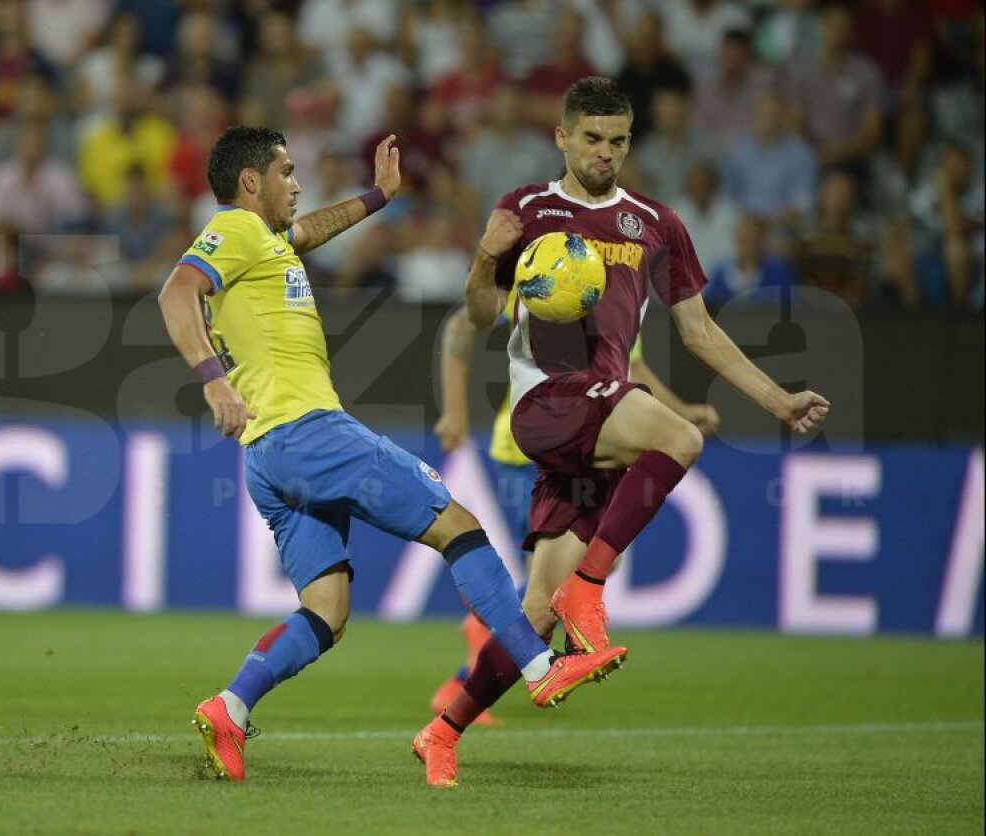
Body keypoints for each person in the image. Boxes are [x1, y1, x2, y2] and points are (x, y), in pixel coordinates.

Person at [158, 127, 624, 784]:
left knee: (327, 610)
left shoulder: (266, 242)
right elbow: (176, 291)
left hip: (268, 455)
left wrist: (378, 196)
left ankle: (230, 709)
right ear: (251, 182)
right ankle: (540, 666)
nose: (298, 183)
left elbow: (309, 232)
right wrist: (212, 379)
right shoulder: (234, 229)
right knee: (457, 525)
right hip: (310, 432)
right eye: (287, 172)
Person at [411, 76, 829, 787]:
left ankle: (442, 731)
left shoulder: (656, 224)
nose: (605, 152)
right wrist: (484, 257)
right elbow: (478, 315)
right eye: (592, 138)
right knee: (681, 439)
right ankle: (590, 588)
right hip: (547, 399)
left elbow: (699, 331)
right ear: (562, 138)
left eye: (618, 141)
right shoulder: (527, 210)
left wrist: (777, 399)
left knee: (533, 615)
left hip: (597, 423)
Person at [427, 297, 720, 725]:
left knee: (593, 564)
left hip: (584, 446)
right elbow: (461, 324)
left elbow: (633, 371)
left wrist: (680, 413)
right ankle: (467, 673)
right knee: (548, 592)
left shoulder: (618, 291)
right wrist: (454, 412)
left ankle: (479, 655)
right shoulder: (549, 280)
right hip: (530, 451)